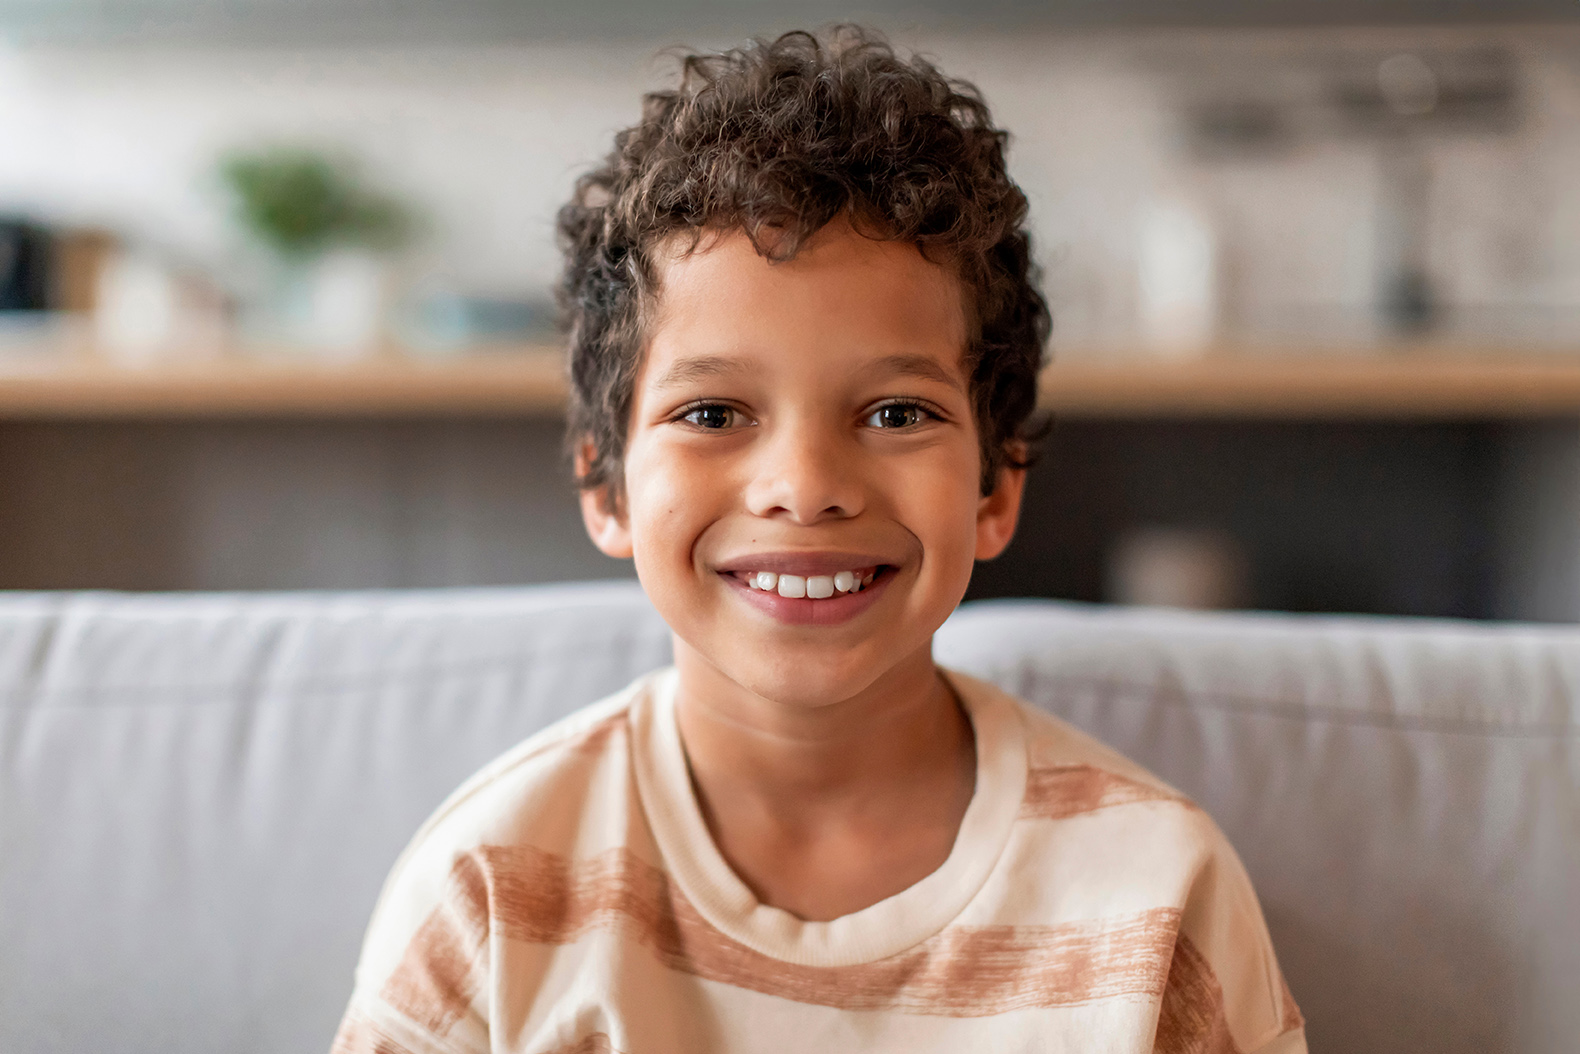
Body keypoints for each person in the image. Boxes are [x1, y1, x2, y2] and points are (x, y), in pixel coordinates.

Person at [332, 27, 1305, 1054]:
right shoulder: (490, 886)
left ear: (994, 485)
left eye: (893, 413)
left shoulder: (1156, 893)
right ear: (602, 480)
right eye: (711, 413)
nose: (803, 488)